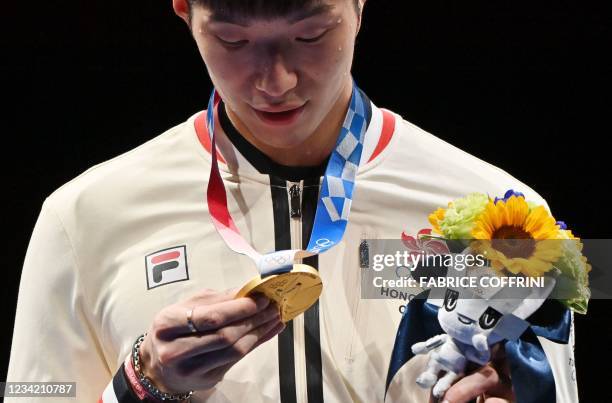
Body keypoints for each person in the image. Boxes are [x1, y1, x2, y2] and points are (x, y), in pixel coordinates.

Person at [6, 1, 579, 402]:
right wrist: (142, 380)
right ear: (185, 12)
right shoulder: (79, 216)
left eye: (309, 34)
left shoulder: (508, 217)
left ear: (359, 7)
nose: (275, 81)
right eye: (233, 40)